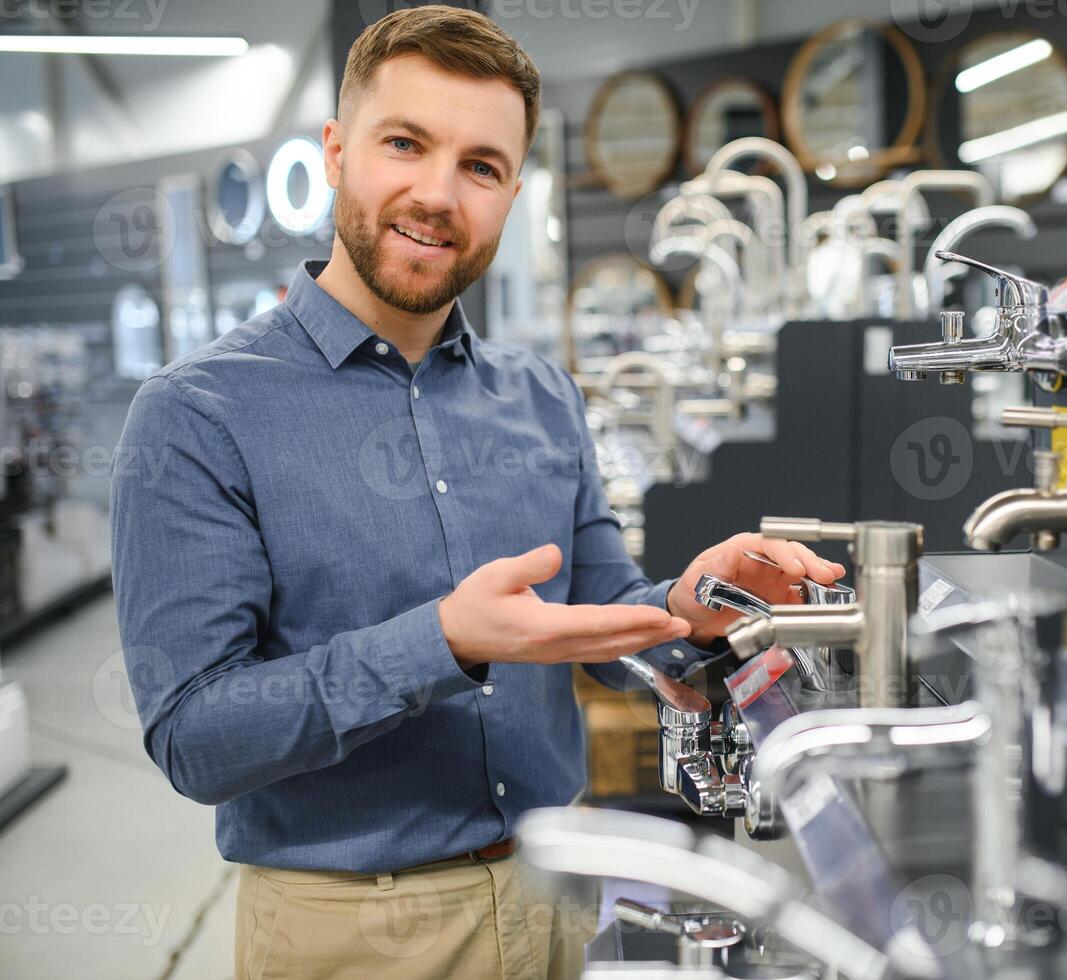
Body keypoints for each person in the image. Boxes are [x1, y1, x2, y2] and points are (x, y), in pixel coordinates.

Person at [109, 7, 843, 978]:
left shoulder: (538, 392)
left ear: (512, 189)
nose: (437, 193)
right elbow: (197, 738)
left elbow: (598, 607)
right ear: (336, 151)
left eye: (483, 165)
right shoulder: (197, 417)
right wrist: (442, 641)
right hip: (349, 927)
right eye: (405, 144)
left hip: (556, 888)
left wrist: (682, 604)